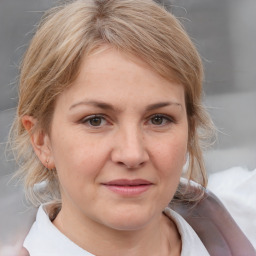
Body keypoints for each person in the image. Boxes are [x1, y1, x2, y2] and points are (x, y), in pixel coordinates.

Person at [10, 0, 255, 255]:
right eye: (95, 120)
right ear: (41, 140)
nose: (132, 154)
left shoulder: (245, 221)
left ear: (189, 133)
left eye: (158, 119)